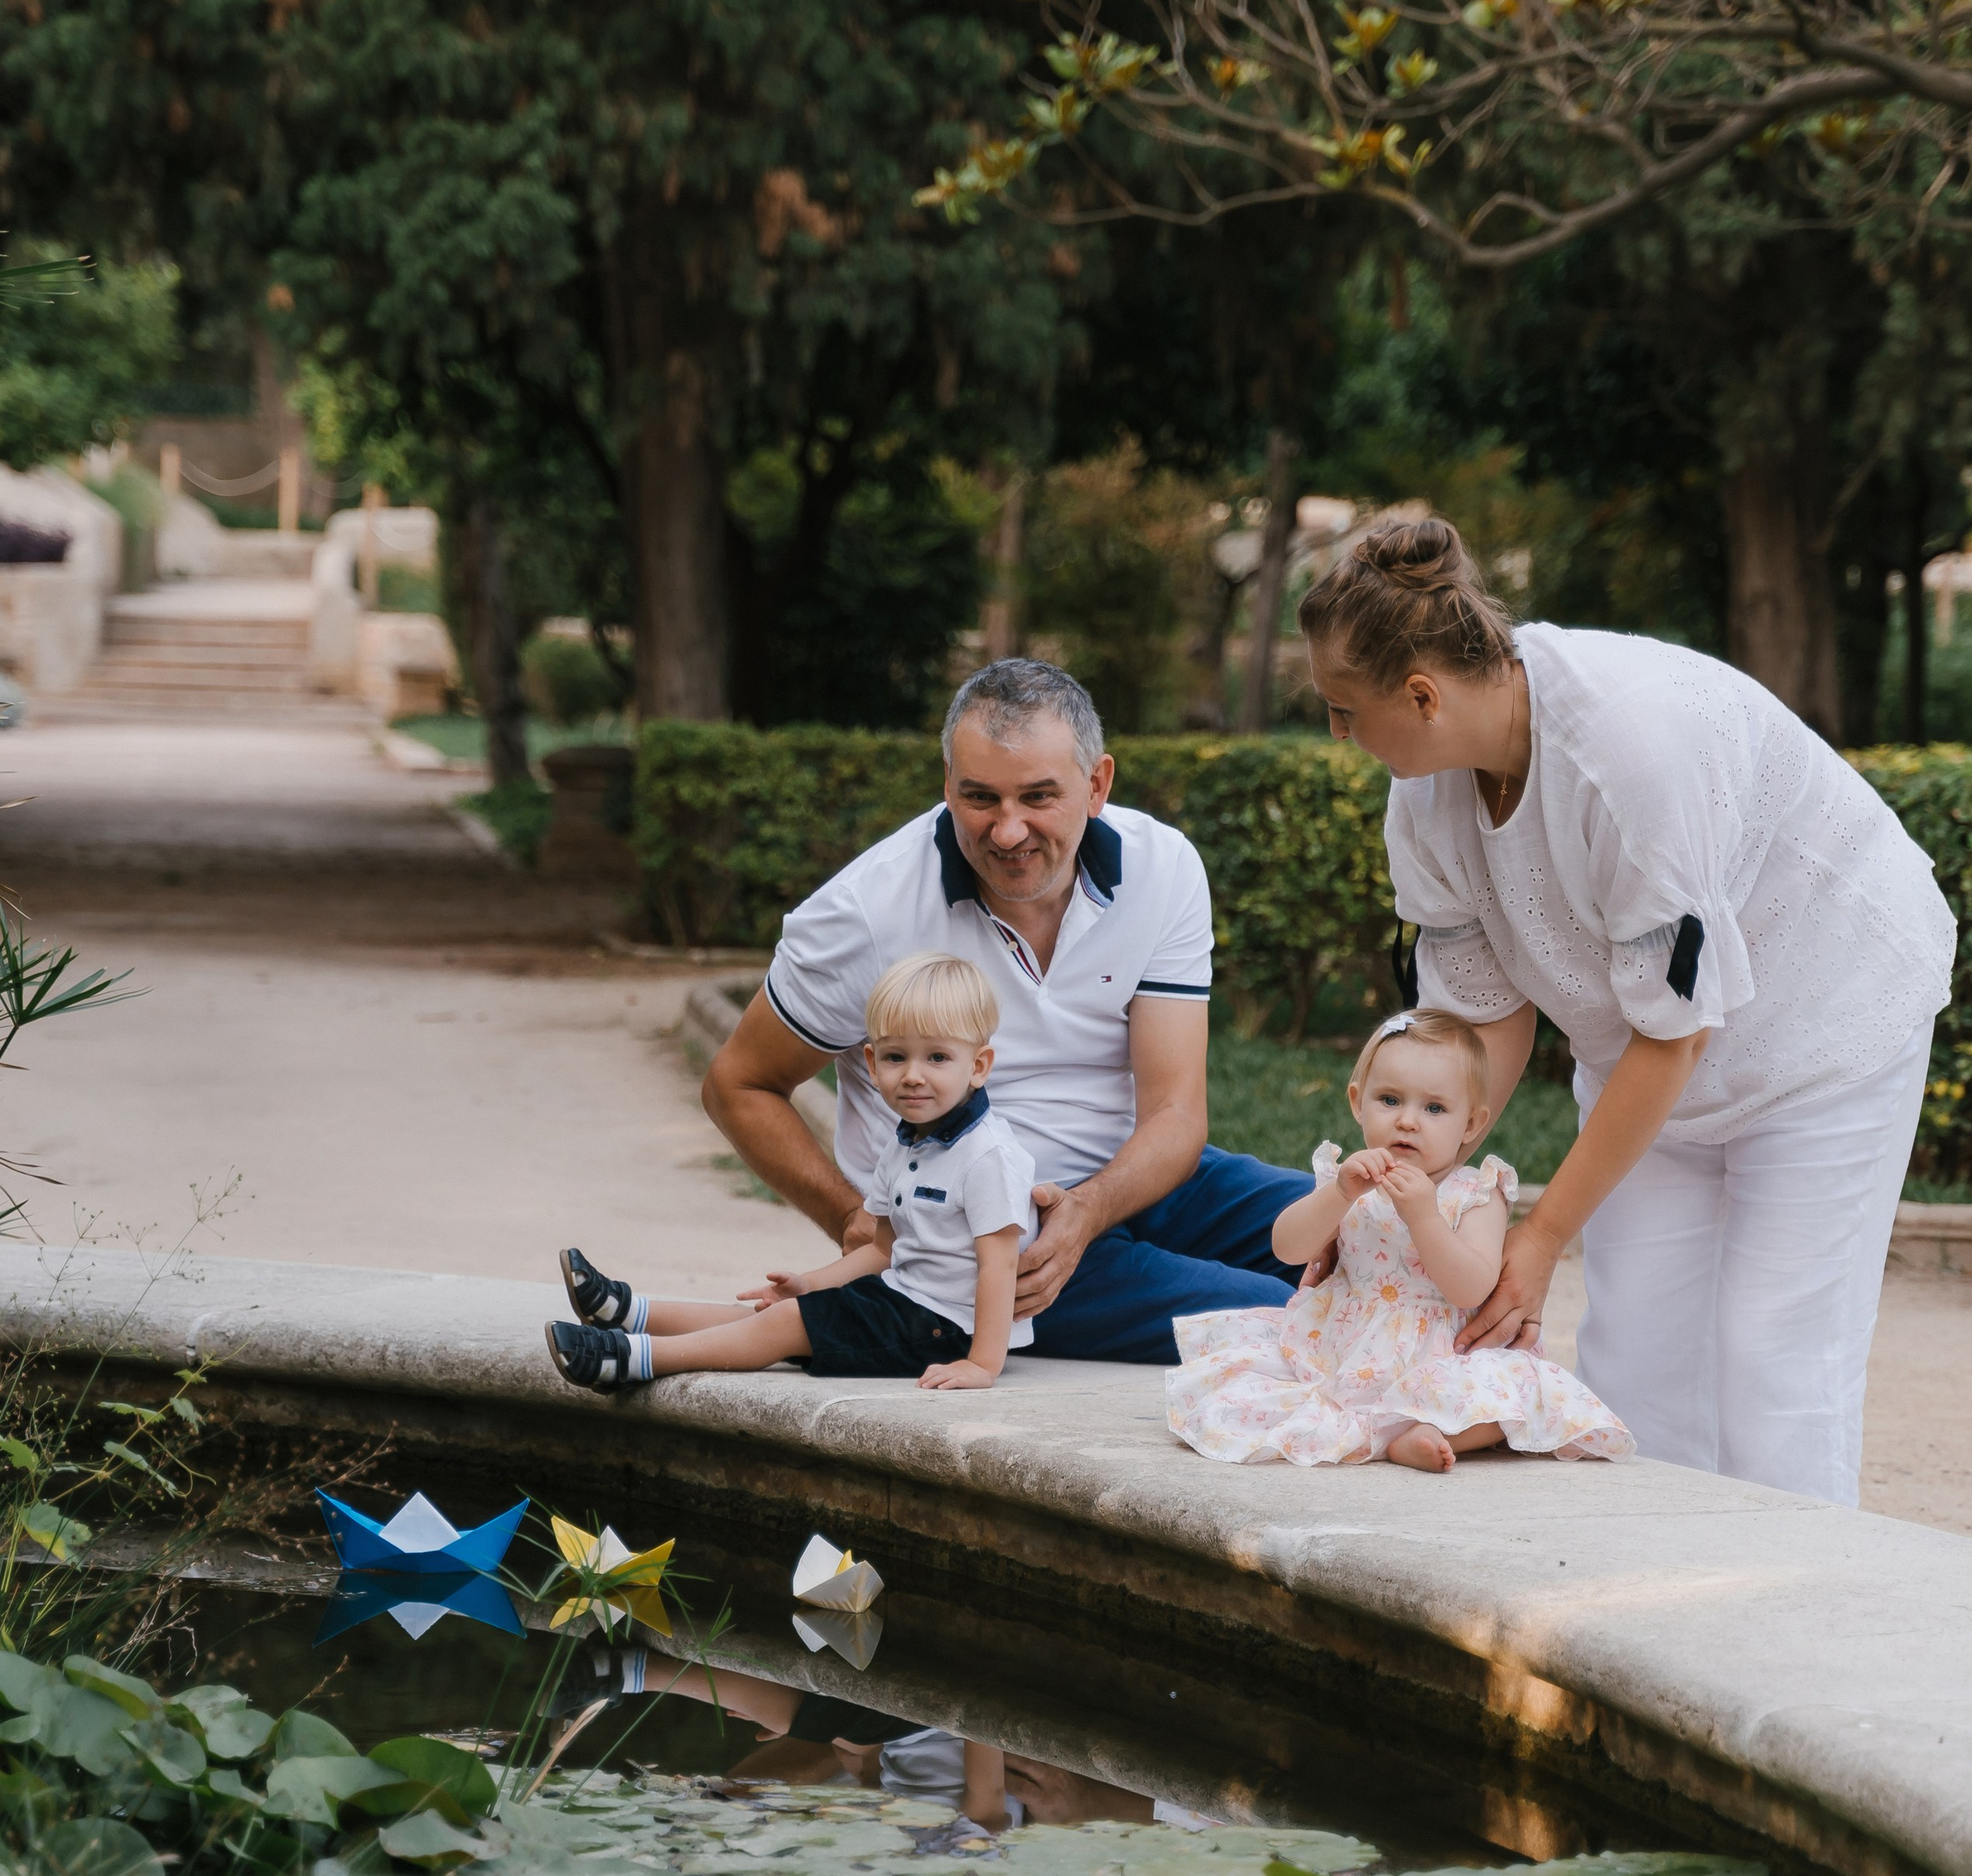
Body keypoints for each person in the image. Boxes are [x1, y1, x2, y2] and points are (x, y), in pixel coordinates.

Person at [1301, 519, 1955, 1506]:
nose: (1337, 735)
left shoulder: (1628, 752)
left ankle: (1781, 1628)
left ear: (1422, 695)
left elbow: (1676, 1031)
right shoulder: (1424, 796)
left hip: (1826, 1021)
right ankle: (1653, 1619)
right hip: (1648, 1058)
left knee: (1774, 1357)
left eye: (1344, 711)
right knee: (1633, 1352)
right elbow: (1479, 1027)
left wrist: (1538, 1235)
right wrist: (1424, 1185)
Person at [701, 657, 1309, 1362]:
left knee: (1371, 1230)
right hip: (994, 1238)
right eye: (980, 798)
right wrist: (862, 1228)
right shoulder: (868, 910)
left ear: (1097, 784)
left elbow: (1176, 1114)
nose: (1009, 831)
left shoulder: (1163, 867)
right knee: (1288, 1320)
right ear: (947, 790)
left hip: (1139, 1181)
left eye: (1039, 797)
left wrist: (1088, 1212)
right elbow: (738, 1084)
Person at [1167, 1004, 1631, 1471]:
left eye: (1434, 1108)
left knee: (1517, 1395)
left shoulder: (1474, 1191)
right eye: (1390, 1100)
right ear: (1356, 1101)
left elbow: (1471, 1286)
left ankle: (1423, 1432)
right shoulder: (1350, 1179)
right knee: (1267, 1377)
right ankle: (1399, 1427)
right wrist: (1338, 1195)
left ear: (1471, 1123)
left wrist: (1425, 1219)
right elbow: (1287, 1248)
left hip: (1442, 1354)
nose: (1408, 1120)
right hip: (1345, 1346)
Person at [547, 951, 1037, 1391]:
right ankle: (631, 1313)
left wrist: (982, 1364)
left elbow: (1000, 1266)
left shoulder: (986, 1155)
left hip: (947, 1329)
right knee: (780, 1314)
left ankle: (632, 1360)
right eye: (895, 1056)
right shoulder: (906, 1143)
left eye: (937, 1057)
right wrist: (812, 1284)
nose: (912, 1074)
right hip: (903, 1301)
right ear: (871, 1062)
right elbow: (883, 1250)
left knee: (784, 1328)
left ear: (978, 1065)